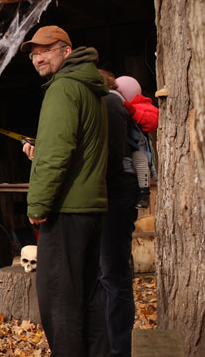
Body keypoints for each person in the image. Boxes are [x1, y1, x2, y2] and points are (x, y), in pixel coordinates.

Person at [20, 25, 111, 356]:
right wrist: (40, 150)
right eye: (33, 54)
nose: (38, 58)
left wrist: (37, 206)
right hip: (92, 208)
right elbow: (77, 147)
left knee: (59, 302)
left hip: (67, 208)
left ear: (66, 51)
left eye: (46, 50)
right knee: (89, 295)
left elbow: (58, 154)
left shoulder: (63, 89)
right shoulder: (92, 88)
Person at [98, 69, 139, 357]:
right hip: (113, 194)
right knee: (106, 272)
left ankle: (118, 349)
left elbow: (112, 158)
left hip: (115, 196)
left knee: (113, 273)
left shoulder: (111, 103)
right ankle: (108, 344)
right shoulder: (109, 103)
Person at [115, 75, 158, 208]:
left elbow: (151, 122)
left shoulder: (144, 105)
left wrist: (133, 112)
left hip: (138, 147)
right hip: (123, 147)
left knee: (140, 160)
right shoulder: (115, 105)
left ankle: (144, 193)